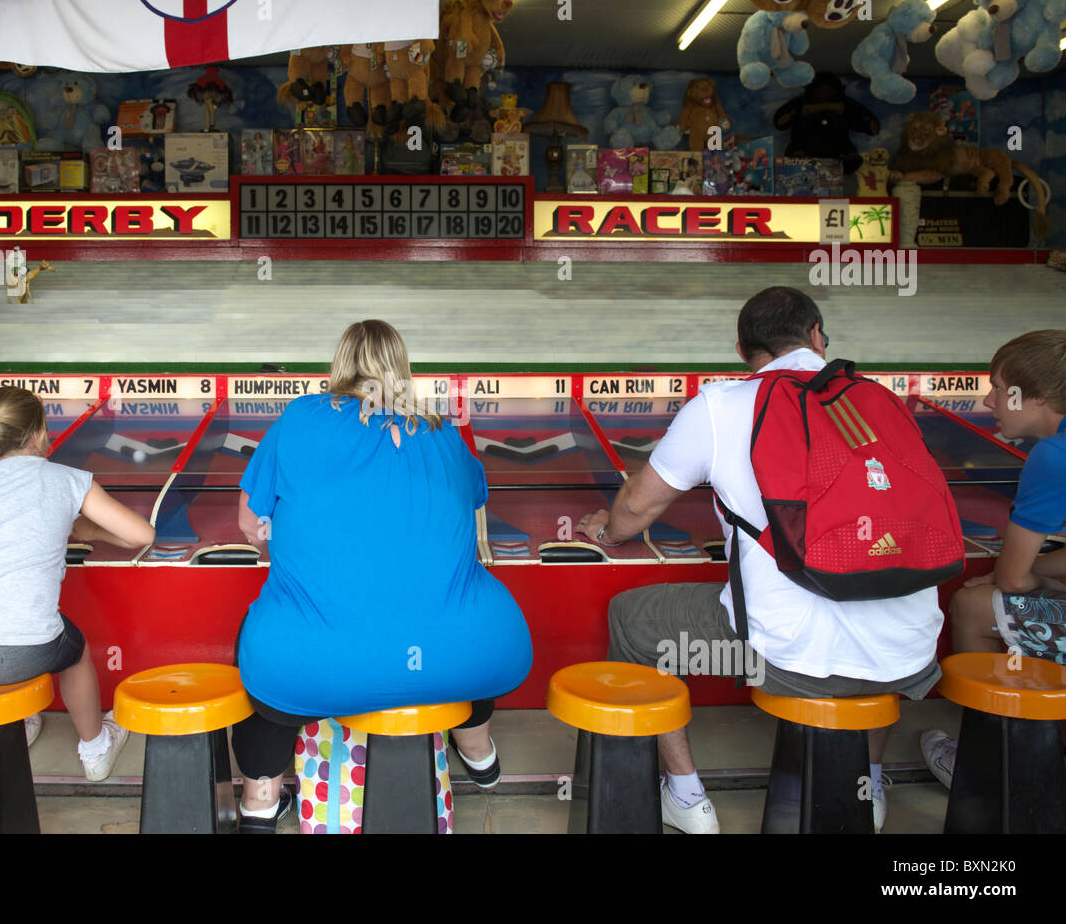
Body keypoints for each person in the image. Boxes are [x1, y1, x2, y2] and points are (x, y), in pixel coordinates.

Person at [579, 286, 943, 834]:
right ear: (818, 336)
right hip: (912, 655)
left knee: (632, 620)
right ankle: (866, 785)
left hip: (789, 661)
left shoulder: (722, 405)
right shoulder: (882, 401)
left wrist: (604, 529)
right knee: (878, 621)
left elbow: (635, 507)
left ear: (741, 349)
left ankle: (686, 796)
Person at [230, 319, 532, 832]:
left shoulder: (299, 418)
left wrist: (292, 540)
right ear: (402, 368)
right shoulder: (445, 432)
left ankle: (260, 799)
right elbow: (464, 508)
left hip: (315, 663)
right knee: (453, 610)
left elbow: (249, 525)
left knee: (268, 650)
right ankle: (480, 755)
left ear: (340, 366)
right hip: (476, 653)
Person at [0, 386, 156, 781]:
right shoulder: (66, 480)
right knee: (69, 649)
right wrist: (81, 528)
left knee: (12, 624)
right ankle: (96, 749)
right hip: (29, 650)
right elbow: (141, 535)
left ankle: (20, 722)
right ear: (39, 434)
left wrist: (66, 525)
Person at [922, 330, 1066, 787]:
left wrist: (1034, 582)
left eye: (1001, 390)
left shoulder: (1053, 456)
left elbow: (1012, 581)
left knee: (975, 604)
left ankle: (982, 764)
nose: (988, 402)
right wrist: (1042, 576)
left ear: (1039, 397)